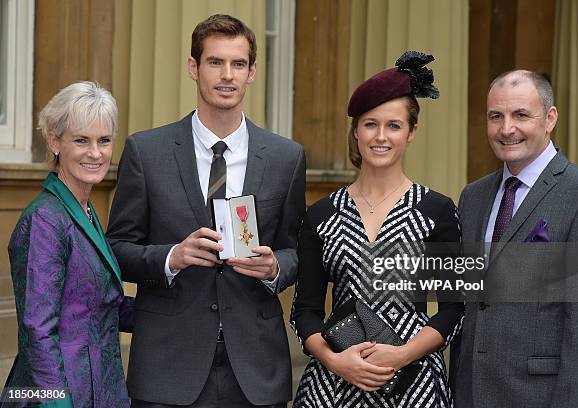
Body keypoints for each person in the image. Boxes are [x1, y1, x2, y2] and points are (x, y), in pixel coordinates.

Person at [107, 14, 306, 408]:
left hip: (255, 367)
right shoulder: (147, 152)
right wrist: (170, 257)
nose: (227, 75)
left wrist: (275, 269)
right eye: (215, 62)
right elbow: (116, 248)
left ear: (251, 72)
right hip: (167, 366)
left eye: (238, 64)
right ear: (194, 67)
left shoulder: (287, 157)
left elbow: (297, 250)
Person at [290, 51, 464, 407]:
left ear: (412, 132)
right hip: (333, 385)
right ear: (355, 131)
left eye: (394, 125)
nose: (380, 136)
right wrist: (336, 361)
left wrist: (399, 356)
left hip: (415, 386)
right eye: (370, 124)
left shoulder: (438, 211)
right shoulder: (321, 214)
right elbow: (304, 311)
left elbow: (453, 309)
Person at [452, 70, 578, 407]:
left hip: (539, 397)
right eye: (496, 116)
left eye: (521, 115)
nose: (506, 129)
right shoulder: (473, 197)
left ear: (550, 118)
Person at [3, 81, 133, 407]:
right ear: (54, 141)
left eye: (104, 140)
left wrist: (183, 301)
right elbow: (37, 332)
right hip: (60, 394)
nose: (95, 152)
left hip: (98, 387)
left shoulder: (84, 210)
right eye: (81, 140)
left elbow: (101, 307)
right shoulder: (45, 221)